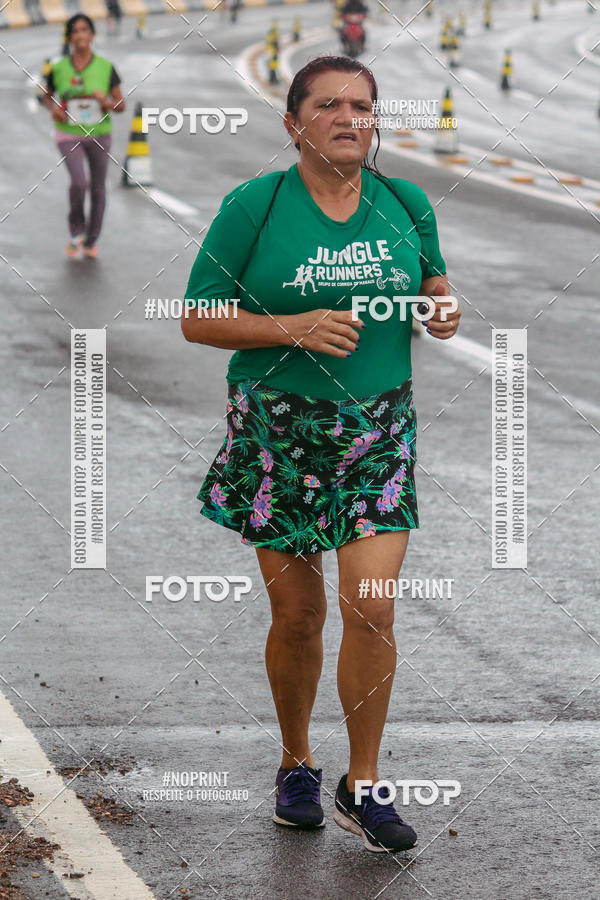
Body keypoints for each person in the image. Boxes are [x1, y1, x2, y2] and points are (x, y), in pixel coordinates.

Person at [181, 56, 460, 853]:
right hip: (278, 432)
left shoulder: (404, 202)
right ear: (293, 123)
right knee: (298, 616)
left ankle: (362, 784)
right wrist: (290, 326)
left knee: (371, 606)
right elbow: (197, 317)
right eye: (330, 105)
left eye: (363, 106)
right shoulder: (255, 206)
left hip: (378, 432)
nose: (350, 117)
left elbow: (434, 282)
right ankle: (297, 762)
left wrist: (440, 308)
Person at [40, 14, 125, 259]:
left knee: (98, 189)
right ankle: (76, 232)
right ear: (69, 37)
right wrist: (54, 109)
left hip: (99, 134)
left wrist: (105, 101)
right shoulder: (58, 68)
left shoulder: (106, 67)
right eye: (74, 31)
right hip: (68, 134)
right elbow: (46, 96)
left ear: (92, 35)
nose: (80, 36)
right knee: (79, 183)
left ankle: (91, 240)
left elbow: (121, 105)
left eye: (84, 30)